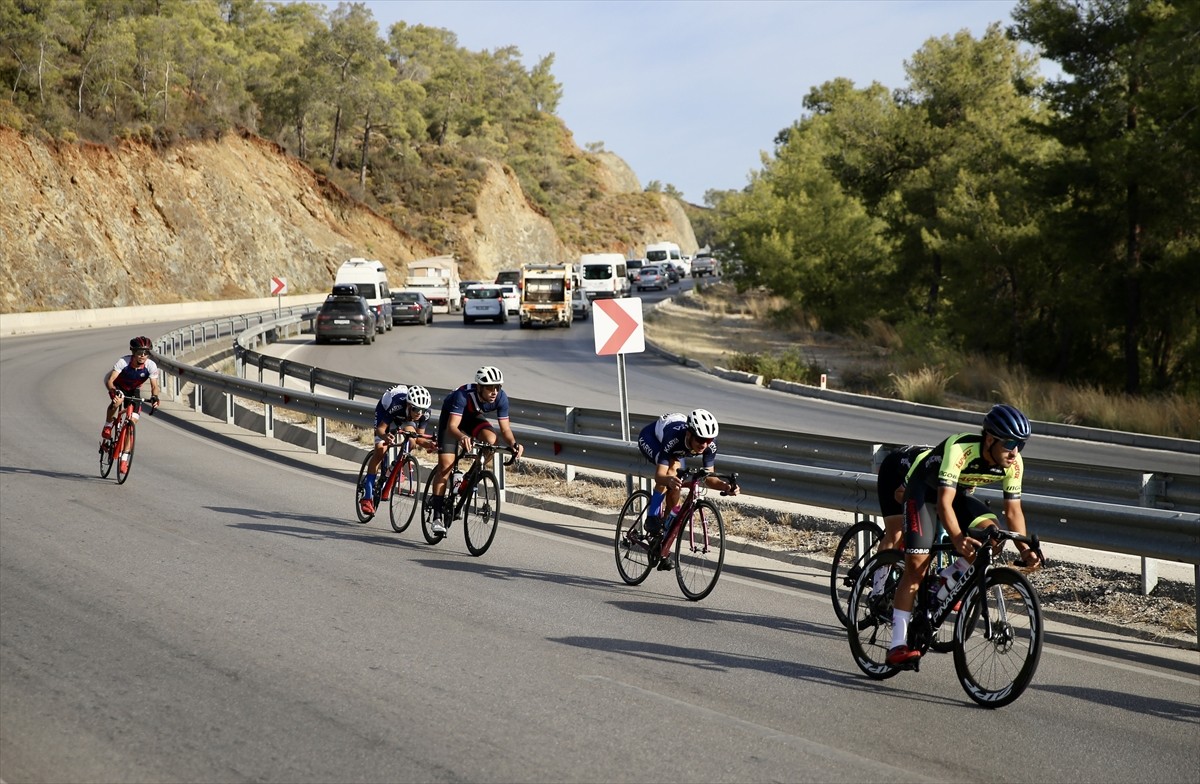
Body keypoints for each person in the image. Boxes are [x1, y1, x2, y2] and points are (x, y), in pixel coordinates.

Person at [886, 404, 1042, 667]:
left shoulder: (1014, 464)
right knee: (916, 568)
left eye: (1021, 445)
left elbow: (1013, 512)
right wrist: (957, 538)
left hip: (956, 495)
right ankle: (897, 644)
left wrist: (1025, 549)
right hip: (924, 493)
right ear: (990, 439)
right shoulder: (960, 448)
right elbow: (944, 503)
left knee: (993, 535)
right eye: (1010, 444)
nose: (1015, 452)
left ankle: (945, 581)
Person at [636, 409, 740, 570]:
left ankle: (664, 540)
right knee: (671, 471)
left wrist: (726, 487)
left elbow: (710, 478)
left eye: (708, 440)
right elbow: (659, 476)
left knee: (676, 484)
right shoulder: (674, 438)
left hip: (677, 448)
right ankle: (651, 517)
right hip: (652, 438)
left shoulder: (709, 445)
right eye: (700, 439)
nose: (704, 444)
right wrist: (668, 479)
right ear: (689, 434)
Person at [430, 366, 524, 534]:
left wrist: (513, 444)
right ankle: (437, 516)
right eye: (490, 387)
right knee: (445, 466)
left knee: (491, 441)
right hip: (451, 420)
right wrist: (462, 437)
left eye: (498, 387)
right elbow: (453, 427)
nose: (494, 391)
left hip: (472, 417)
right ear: (479, 387)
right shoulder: (462, 395)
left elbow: (505, 430)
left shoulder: (501, 398)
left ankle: (469, 477)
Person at [359, 383, 435, 516]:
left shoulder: (424, 413)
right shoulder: (397, 404)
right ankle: (366, 498)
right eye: (416, 409)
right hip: (385, 409)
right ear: (409, 405)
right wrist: (384, 436)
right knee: (381, 451)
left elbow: (418, 437)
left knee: (411, 442)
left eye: (422, 410)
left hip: (405, 417)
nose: (419, 413)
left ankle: (394, 467)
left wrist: (428, 444)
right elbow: (380, 429)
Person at [102, 336, 161, 441]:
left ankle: (125, 455)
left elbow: (154, 386)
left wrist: (155, 396)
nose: (143, 356)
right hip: (119, 387)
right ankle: (108, 425)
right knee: (118, 401)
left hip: (134, 389)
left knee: (132, 421)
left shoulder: (151, 365)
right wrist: (113, 391)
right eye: (139, 352)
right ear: (133, 352)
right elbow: (110, 381)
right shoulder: (123, 361)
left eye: (146, 353)